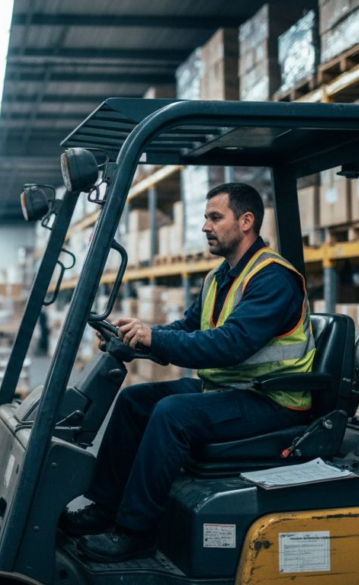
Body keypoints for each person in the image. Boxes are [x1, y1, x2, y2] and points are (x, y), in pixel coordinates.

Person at [61, 182, 315, 563]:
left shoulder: (272, 278)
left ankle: (136, 530)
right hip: (232, 390)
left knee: (173, 413)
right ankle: (106, 507)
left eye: (215, 217)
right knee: (134, 400)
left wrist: (155, 341)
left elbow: (230, 344)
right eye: (205, 217)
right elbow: (189, 327)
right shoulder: (220, 276)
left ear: (246, 222)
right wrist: (139, 338)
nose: (204, 226)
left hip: (274, 400)